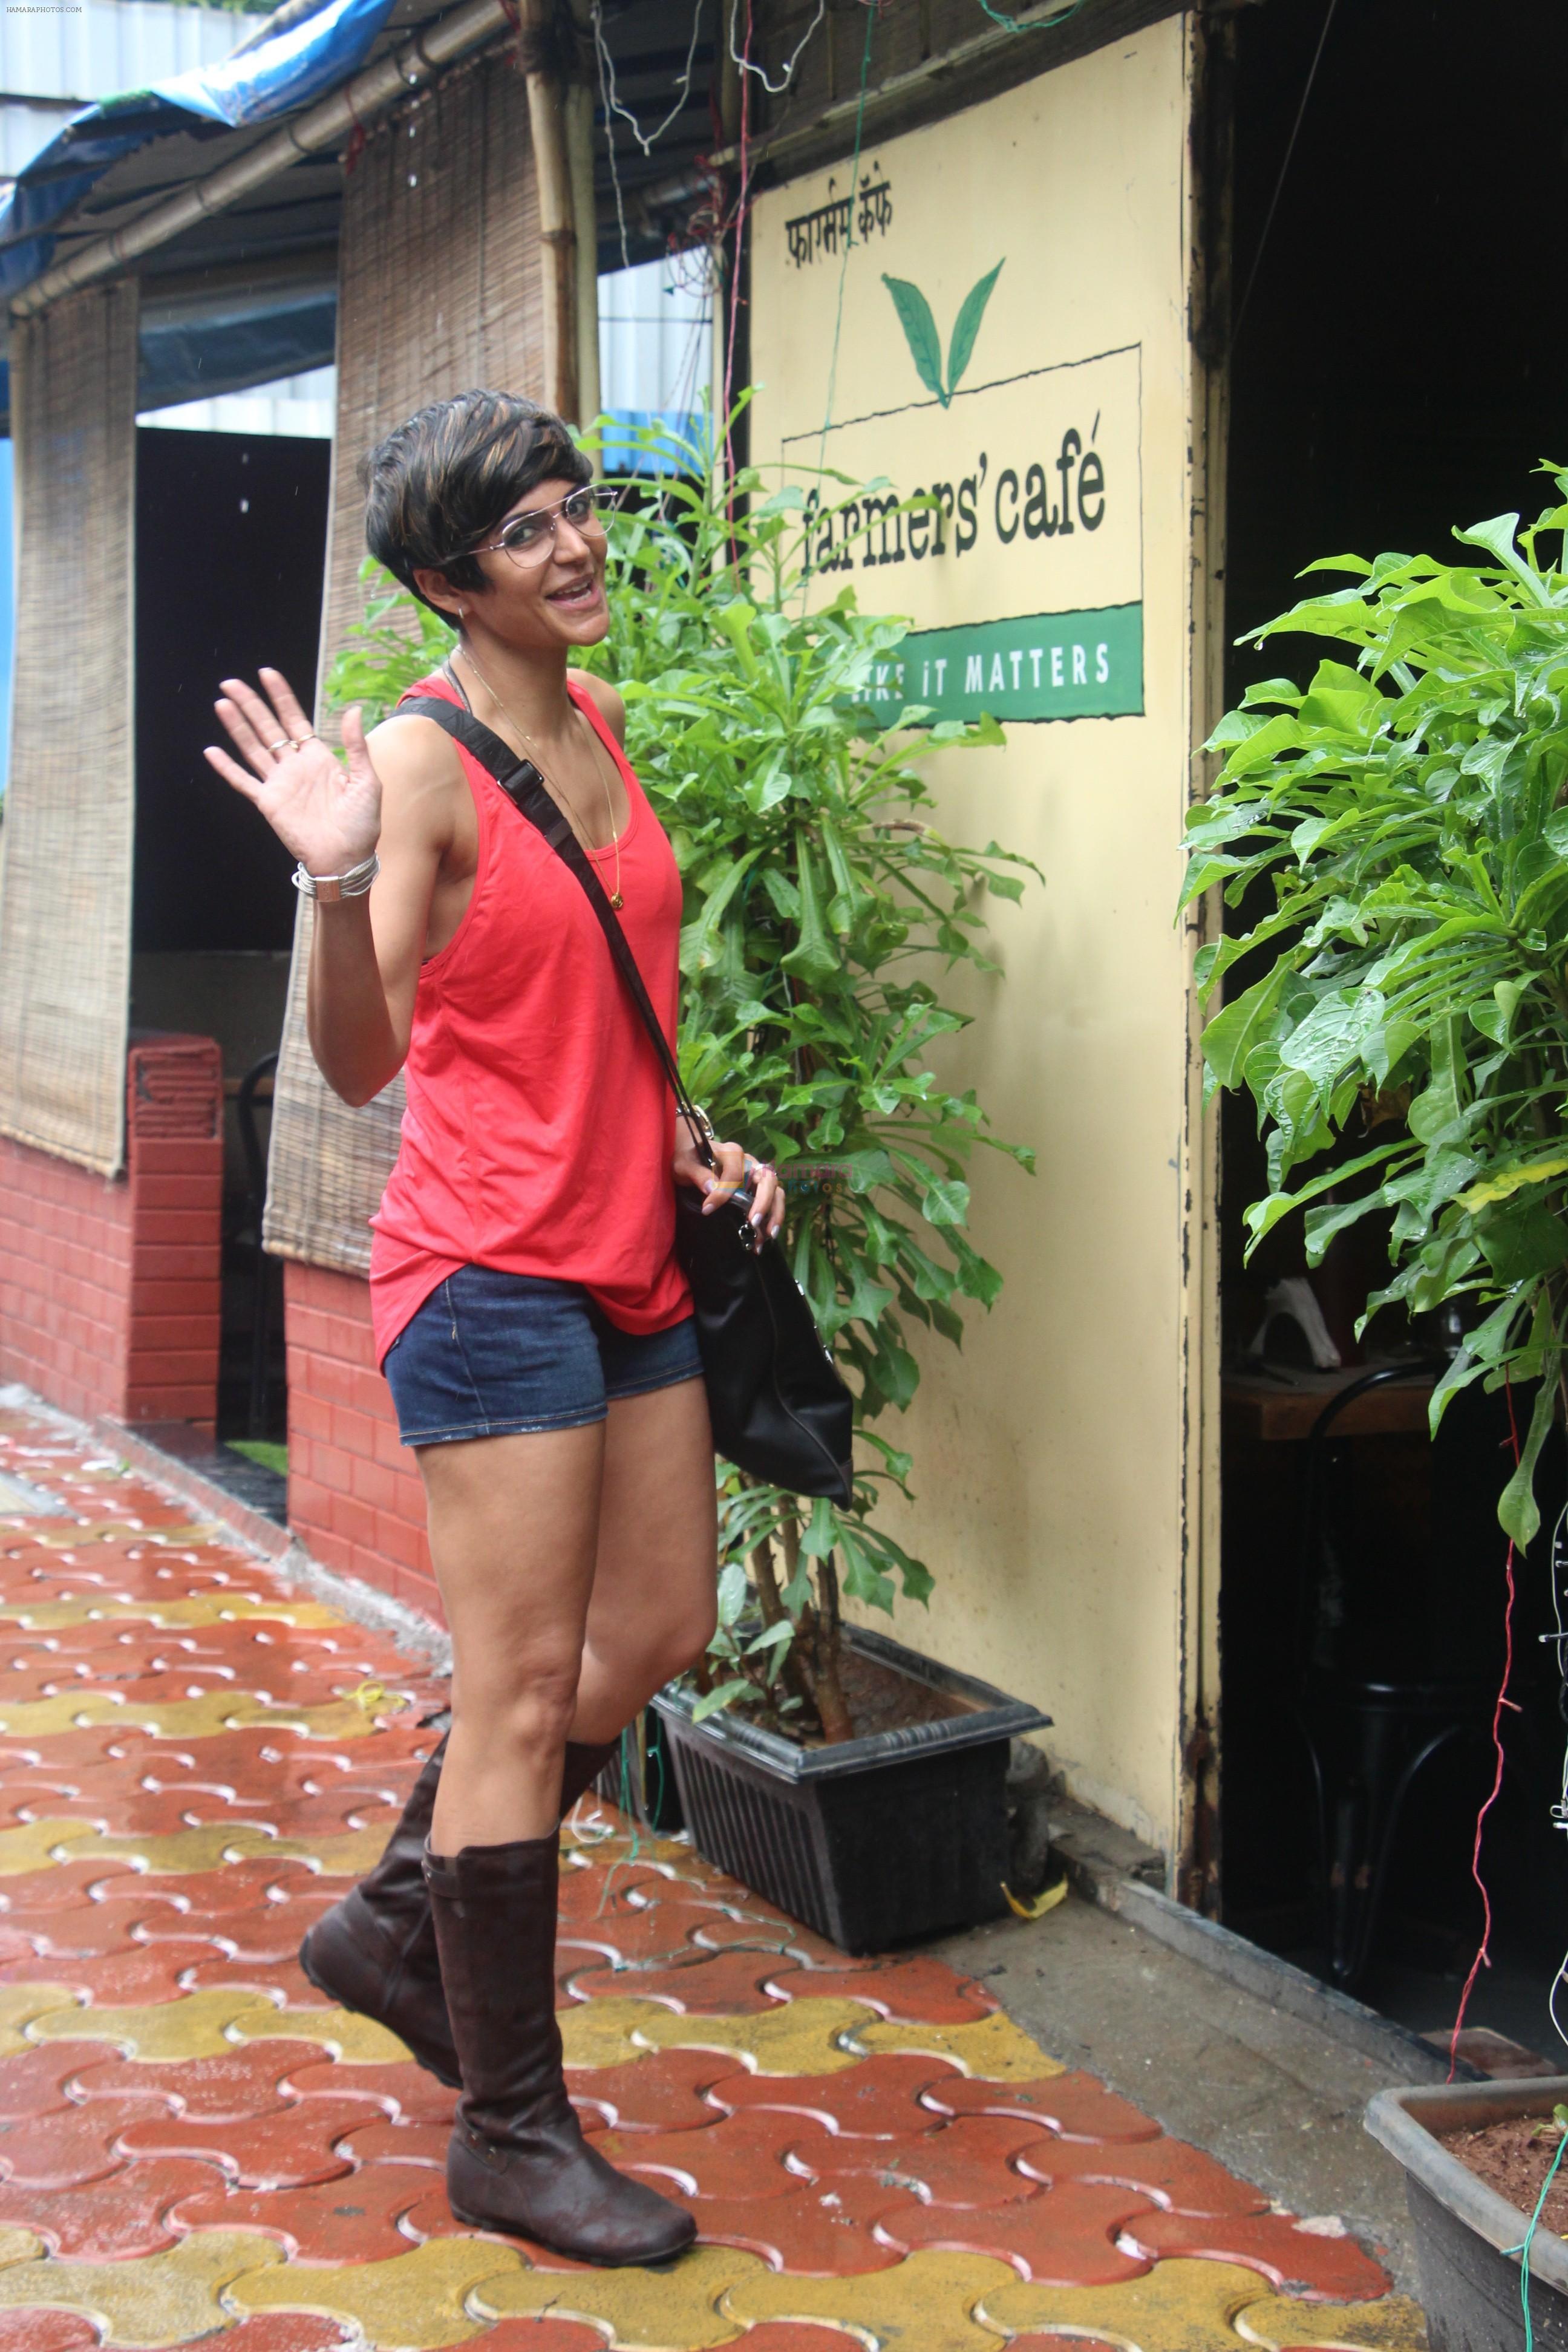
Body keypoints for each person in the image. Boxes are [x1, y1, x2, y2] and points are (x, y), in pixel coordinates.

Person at [204, 388, 784, 2267]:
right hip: (489, 1279)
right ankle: (512, 2135)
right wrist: (333, 867)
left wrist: (699, 1142)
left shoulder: (595, 721)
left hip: (631, 1250)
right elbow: (361, 1063)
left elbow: (599, 999)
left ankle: (397, 1911)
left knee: (661, 1632)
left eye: (582, 506)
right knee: (525, 1694)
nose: (582, 544)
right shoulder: (425, 766)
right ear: (451, 581)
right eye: (533, 530)